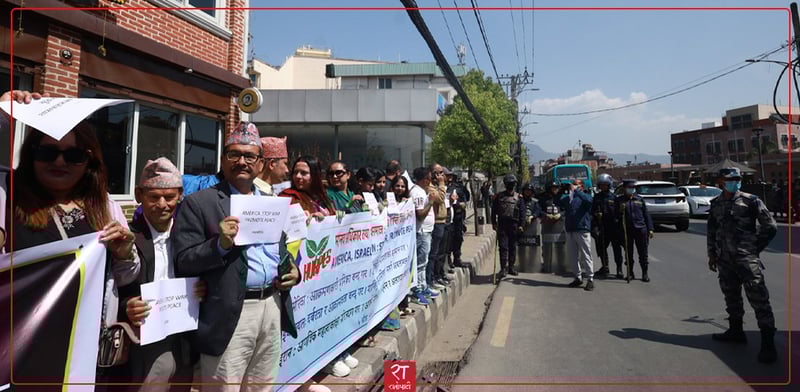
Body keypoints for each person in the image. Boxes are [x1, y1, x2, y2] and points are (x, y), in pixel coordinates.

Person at [6, 113, 140, 386]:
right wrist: (3, 112)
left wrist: (125, 253)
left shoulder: (105, 206)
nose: (59, 162)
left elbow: (123, 277)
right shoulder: (7, 199)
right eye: (47, 152)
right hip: (24, 350)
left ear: (89, 160)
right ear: (31, 155)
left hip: (87, 354)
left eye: (73, 155)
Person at [171, 122, 301, 391]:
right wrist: (219, 244)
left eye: (249, 156)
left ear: (260, 163)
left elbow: (281, 250)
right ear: (223, 159)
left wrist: (292, 270)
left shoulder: (269, 203)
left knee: (261, 386)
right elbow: (183, 259)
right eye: (234, 154)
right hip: (230, 312)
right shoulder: (200, 203)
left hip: (272, 307)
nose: (242, 161)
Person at [119, 157, 207, 392]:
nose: (162, 204)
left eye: (169, 197)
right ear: (139, 195)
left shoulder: (190, 235)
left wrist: (202, 287)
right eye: (153, 197)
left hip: (185, 333)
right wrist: (127, 305)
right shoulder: (128, 238)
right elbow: (112, 286)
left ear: (180, 195)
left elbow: (205, 267)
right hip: (147, 337)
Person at [707, 167, 777, 363]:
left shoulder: (751, 200)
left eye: (737, 178)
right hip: (725, 260)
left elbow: (770, 226)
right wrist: (712, 254)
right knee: (731, 296)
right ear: (721, 181)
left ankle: (768, 343)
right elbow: (712, 230)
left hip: (746, 259)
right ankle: (736, 331)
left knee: (759, 298)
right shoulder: (716, 203)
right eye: (730, 179)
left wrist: (755, 247)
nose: (735, 181)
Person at [409, 167, 440, 304]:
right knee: (420, 263)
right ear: (424, 179)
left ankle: (423, 286)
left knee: (424, 261)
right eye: (429, 178)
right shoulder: (417, 193)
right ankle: (417, 290)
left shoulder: (421, 192)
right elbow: (420, 215)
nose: (430, 181)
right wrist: (431, 201)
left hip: (426, 231)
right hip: (421, 232)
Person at [615, 179, 654, 282]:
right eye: (629, 188)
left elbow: (646, 215)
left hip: (641, 229)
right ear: (624, 189)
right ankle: (630, 272)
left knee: (643, 253)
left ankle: (644, 273)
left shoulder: (639, 199)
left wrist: (650, 229)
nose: (631, 190)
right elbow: (615, 216)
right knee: (628, 253)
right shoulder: (619, 200)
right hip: (627, 230)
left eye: (633, 188)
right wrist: (620, 211)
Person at [560, 179, 595, 291]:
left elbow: (589, 201)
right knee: (573, 256)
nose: (573, 186)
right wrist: (562, 190)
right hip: (570, 229)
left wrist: (577, 191)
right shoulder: (569, 198)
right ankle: (578, 277)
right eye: (572, 184)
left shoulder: (585, 196)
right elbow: (559, 201)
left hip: (582, 229)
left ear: (581, 186)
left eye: (575, 184)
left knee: (586, 255)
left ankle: (590, 279)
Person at [491, 174, 524, 278]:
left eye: (512, 183)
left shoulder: (518, 197)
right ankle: (503, 268)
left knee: (512, 247)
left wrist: (521, 225)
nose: (511, 185)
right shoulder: (499, 196)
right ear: (505, 184)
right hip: (502, 224)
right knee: (503, 247)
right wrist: (494, 223)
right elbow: (494, 211)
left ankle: (511, 267)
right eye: (509, 183)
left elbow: (522, 212)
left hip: (514, 224)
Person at [592, 173, 624, 278]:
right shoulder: (597, 197)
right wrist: (597, 215)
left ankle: (619, 269)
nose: (603, 186)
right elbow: (592, 211)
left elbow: (619, 213)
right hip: (602, 227)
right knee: (601, 248)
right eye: (601, 185)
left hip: (613, 227)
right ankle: (605, 267)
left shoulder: (614, 198)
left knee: (616, 249)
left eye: (605, 184)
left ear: (609, 185)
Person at [428, 163, 450, 291]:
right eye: (438, 173)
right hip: (435, 222)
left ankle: (438, 275)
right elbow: (440, 199)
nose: (441, 175)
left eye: (442, 173)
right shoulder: (430, 187)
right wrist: (442, 184)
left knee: (441, 252)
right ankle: (431, 278)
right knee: (433, 254)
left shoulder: (438, 187)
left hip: (443, 221)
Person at [538, 181, 566, 274]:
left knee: (560, 247)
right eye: (553, 187)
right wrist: (546, 215)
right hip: (547, 226)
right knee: (546, 247)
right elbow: (539, 210)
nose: (555, 189)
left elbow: (566, 209)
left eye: (556, 187)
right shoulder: (543, 199)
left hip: (559, 226)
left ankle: (561, 265)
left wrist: (560, 214)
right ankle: (546, 266)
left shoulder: (562, 198)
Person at [447, 170, 469, 268]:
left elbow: (465, 201)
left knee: (458, 238)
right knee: (448, 239)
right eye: (447, 175)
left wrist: (459, 204)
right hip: (448, 217)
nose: (450, 177)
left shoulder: (459, 188)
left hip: (458, 216)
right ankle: (448, 260)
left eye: (451, 176)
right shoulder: (443, 188)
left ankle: (457, 258)